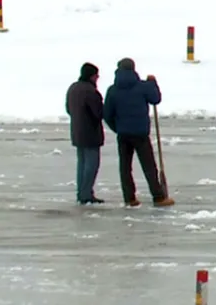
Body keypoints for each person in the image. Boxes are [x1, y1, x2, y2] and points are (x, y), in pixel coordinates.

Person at [103, 58, 174, 208]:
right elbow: (155, 99)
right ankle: (158, 196)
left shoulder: (113, 90)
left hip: (123, 134)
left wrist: (118, 127)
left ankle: (129, 198)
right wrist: (153, 84)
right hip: (140, 133)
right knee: (149, 165)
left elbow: (107, 114)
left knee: (125, 167)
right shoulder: (142, 87)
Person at [65, 62, 104, 205]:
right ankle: (86, 193)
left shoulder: (73, 88)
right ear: (92, 76)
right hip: (90, 132)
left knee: (82, 163)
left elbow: (68, 109)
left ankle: (82, 192)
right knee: (92, 164)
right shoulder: (90, 91)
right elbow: (98, 113)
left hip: (77, 130)